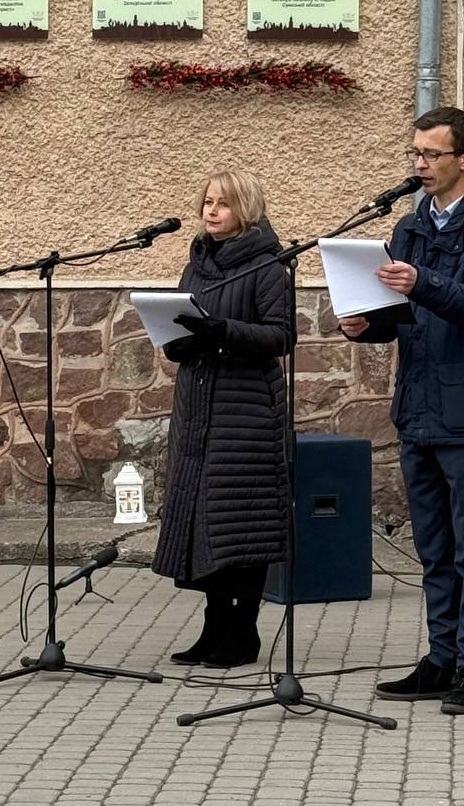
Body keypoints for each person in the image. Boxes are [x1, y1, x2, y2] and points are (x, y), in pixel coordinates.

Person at [339, 107, 464, 715]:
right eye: (414, 153)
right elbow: (401, 315)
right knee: (433, 548)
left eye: (431, 154)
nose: (419, 164)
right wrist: (365, 323)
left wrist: (420, 283)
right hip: (418, 407)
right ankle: (441, 657)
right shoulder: (410, 225)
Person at [152, 169, 290, 669]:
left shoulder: (269, 266)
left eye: (223, 203)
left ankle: (243, 632)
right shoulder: (197, 264)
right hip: (197, 408)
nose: (211, 211)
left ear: (245, 210)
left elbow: (280, 335)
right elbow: (183, 325)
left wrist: (222, 332)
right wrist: (177, 342)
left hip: (246, 410)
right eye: (208, 202)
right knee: (202, 520)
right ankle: (214, 626)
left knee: (242, 522)